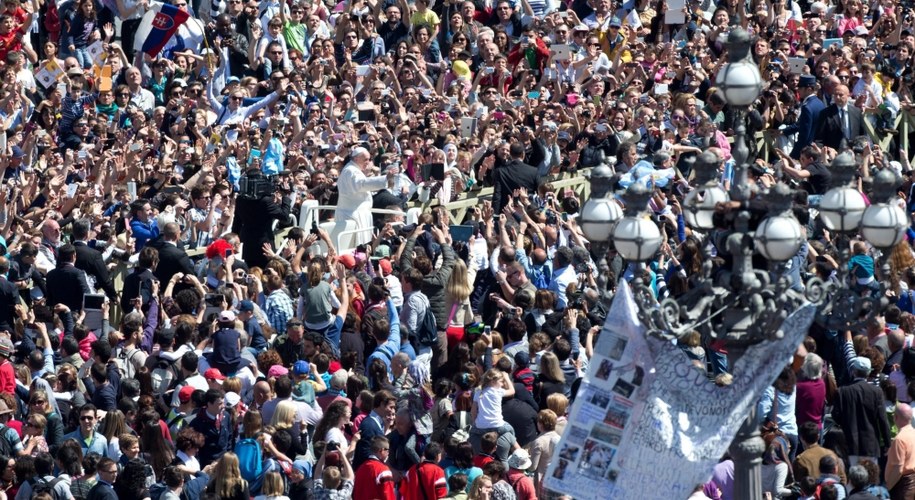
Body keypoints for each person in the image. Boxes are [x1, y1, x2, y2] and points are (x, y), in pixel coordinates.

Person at [335, 147, 398, 248]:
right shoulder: (351, 171)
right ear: (356, 159)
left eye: (369, 159)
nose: (368, 162)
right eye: (365, 160)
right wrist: (385, 178)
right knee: (356, 245)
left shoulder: (353, 169)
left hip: (356, 212)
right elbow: (361, 184)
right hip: (353, 214)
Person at [781, 74, 826, 159]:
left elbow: (804, 136)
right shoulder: (820, 103)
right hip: (817, 149)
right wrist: (784, 131)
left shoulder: (807, 107)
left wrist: (793, 156)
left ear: (809, 89)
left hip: (808, 153)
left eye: (800, 88)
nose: (798, 90)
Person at [814, 84, 864, 150]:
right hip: (833, 153)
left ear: (848, 95)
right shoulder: (826, 113)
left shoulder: (856, 112)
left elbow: (862, 134)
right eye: (835, 95)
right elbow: (819, 137)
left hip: (853, 152)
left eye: (841, 95)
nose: (837, 97)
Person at [886, 402, 915, 498]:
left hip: (904, 486)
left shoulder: (899, 439)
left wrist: (888, 486)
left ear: (895, 417)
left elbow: (898, 468)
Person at [353, 436, 395, 500]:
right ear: (381, 450)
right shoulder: (384, 471)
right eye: (387, 450)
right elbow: (388, 496)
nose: (388, 453)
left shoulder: (360, 468)